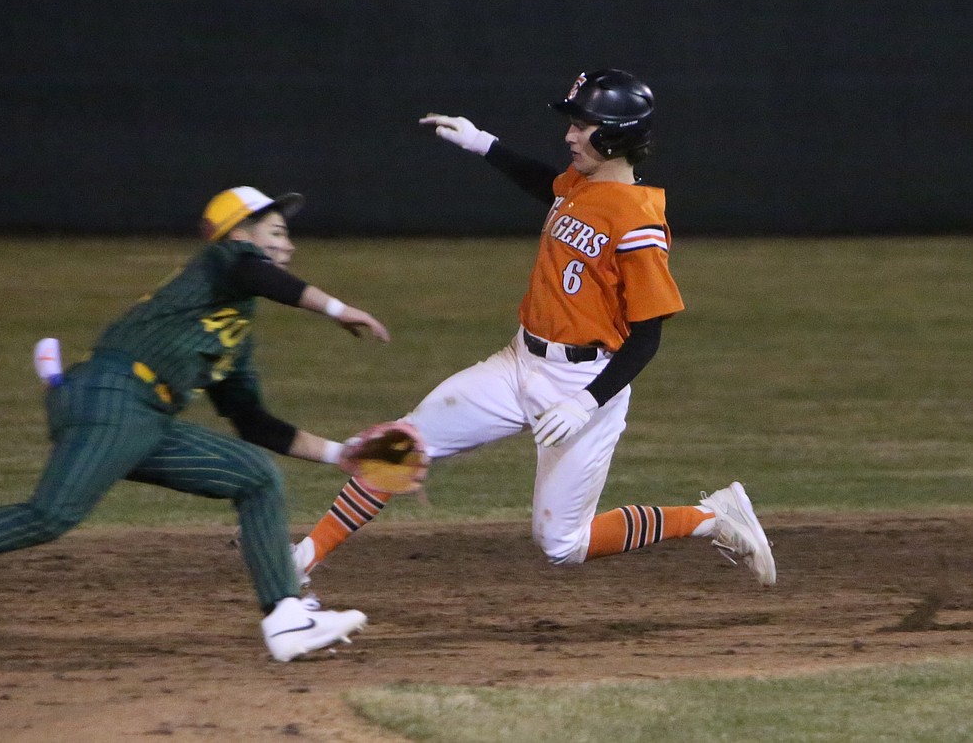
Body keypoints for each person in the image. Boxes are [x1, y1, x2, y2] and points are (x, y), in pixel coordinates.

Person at [0, 186, 389, 662]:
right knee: (51, 515)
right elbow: (256, 271)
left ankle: (286, 619)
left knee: (255, 474)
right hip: (114, 396)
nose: (288, 246)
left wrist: (342, 455)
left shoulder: (234, 328)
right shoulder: (221, 263)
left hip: (139, 415)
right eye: (277, 232)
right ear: (240, 233)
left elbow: (254, 422)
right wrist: (339, 309)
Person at [293, 69, 776, 587]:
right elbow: (545, 186)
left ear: (615, 134)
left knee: (564, 545)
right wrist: (484, 144)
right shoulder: (581, 186)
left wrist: (584, 403)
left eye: (583, 125)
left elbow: (648, 337)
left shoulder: (639, 224)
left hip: (583, 385)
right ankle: (301, 560)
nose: (570, 134)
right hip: (518, 363)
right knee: (401, 443)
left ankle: (711, 519)